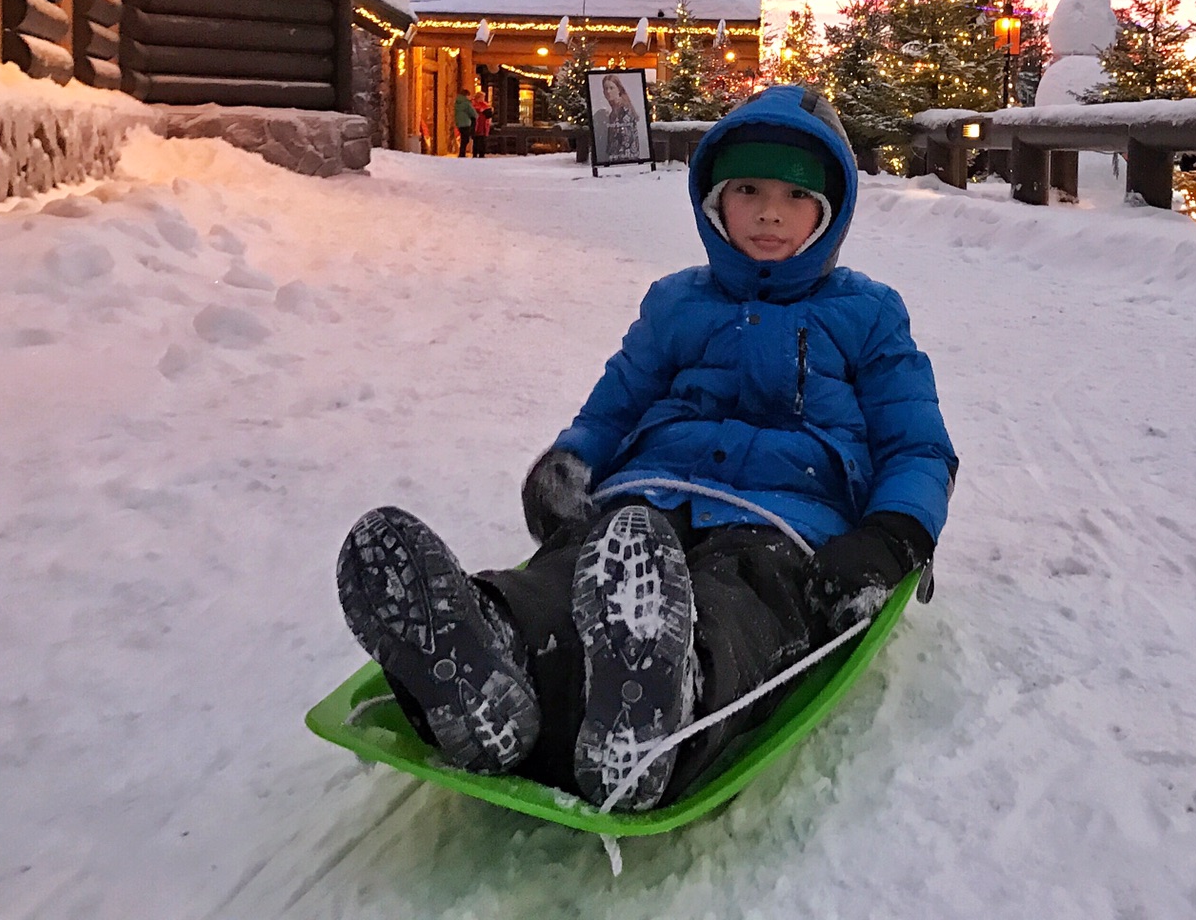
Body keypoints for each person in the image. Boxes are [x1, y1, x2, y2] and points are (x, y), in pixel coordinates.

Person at [334, 86, 956, 812]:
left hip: (787, 519)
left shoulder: (869, 315)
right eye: (747, 189)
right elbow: (619, 398)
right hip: (649, 496)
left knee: (742, 597)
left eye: (795, 195)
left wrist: (891, 536)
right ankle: (493, 652)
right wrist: (573, 460)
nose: (768, 212)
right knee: (580, 567)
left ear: (832, 213)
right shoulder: (675, 303)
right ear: (713, 202)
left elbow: (917, 443)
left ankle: (677, 689)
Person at [600, 72, 642, 163]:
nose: (608, 91)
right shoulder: (614, 112)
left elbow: (626, 140)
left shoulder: (624, 110)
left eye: (611, 88)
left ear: (618, 89)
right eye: (605, 88)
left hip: (625, 162)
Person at [453, 88, 476, 157]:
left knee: (463, 138)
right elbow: (472, 113)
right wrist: (476, 116)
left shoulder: (457, 102)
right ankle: (462, 153)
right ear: (466, 95)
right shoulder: (466, 103)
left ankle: (462, 153)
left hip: (459, 122)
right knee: (465, 139)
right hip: (466, 122)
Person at [471, 89, 493, 158]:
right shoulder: (474, 104)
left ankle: (482, 154)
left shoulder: (485, 105)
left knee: (483, 140)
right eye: (481, 97)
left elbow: (489, 114)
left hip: (484, 125)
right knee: (476, 140)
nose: (483, 99)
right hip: (477, 124)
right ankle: (475, 153)